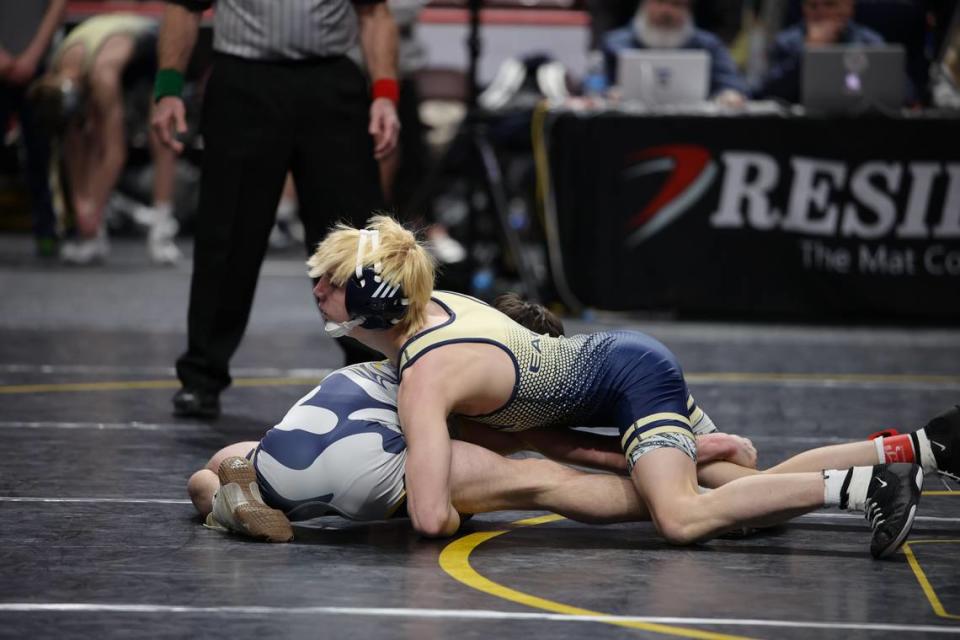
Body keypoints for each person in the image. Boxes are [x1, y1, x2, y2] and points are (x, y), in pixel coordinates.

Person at [305, 215, 960, 559]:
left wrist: (442, 496)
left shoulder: (423, 380)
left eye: (330, 283)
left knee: (680, 518)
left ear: (373, 300)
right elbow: (550, 438)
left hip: (629, 379)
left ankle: (864, 488)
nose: (316, 291)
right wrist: (672, 455)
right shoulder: (438, 303)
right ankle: (922, 449)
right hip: (625, 369)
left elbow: (428, 517)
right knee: (754, 493)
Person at [152, 0, 401, 420]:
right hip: (243, 80)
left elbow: (374, 13)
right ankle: (202, 376)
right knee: (226, 234)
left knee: (355, 238)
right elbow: (184, 7)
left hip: (330, 80)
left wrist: (385, 95)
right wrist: (168, 89)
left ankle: (371, 366)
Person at [29, 13, 181, 265]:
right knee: (82, 134)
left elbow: (115, 152)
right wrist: (81, 206)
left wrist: (94, 206)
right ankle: (92, 236)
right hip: (101, 44)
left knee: (162, 131)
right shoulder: (56, 72)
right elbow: (71, 143)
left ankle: (162, 230)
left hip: (151, 44)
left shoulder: (103, 76)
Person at [0, 0, 66, 258]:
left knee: (42, 150)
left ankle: (48, 229)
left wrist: (33, 56)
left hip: (37, 60)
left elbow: (58, 5)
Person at [600, 0, 749, 106]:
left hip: (694, 128)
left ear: (688, 8)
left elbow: (732, 84)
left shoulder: (708, 45)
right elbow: (594, 85)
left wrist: (729, 94)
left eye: (676, 4)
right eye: (659, 2)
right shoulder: (615, 44)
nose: (666, 11)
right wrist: (609, 94)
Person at [754, 0, 886, 104]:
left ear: (848, 7)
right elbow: (765, 93)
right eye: (812, 6)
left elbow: (901, 91)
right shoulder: (786, 42)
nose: (821, 12)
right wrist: (809, 52)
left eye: (830, 4)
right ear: (803, 9)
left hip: (858, 122)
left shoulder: (869, 42)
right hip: (801, 126)